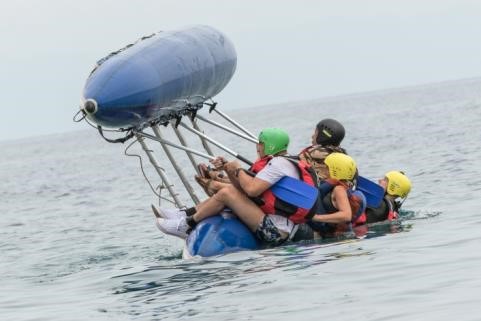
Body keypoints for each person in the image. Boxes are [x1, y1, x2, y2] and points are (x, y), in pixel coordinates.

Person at [155, 128, 319, 246]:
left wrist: (238, 169)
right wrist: (228, 168)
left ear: (270, 145)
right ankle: (184, 214)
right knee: (228, 191)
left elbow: (251, 190)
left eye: (260, 143)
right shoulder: (285, 163)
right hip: (275, 227)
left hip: (275, 232)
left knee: (226, 192)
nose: (258, 147)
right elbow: (243, 188)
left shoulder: (278, 164)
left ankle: (186, 224)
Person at [292, 152, 365, 241]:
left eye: (326, 167)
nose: (322, 169)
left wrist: (317, 218)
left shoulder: (339, 189)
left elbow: (346, 215)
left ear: (335, 170)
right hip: (337, 236)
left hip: (339, 239)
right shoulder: (343, 187)